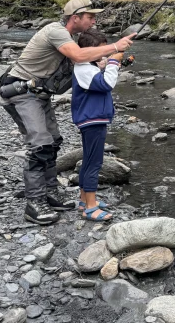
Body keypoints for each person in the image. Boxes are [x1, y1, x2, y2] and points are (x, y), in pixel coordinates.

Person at [0, 0, 135, 225]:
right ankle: (34, 203)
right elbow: (80, 57)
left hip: (40, 95)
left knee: (53, 141)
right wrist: (115, 47)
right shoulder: (56, 32)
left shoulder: (70, 37)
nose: (93, 21)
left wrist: (108, 62)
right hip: (21, 93)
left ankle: (50, 192)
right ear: (75, 17)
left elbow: (85, 64)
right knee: (40, 144)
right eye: (90, 17)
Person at [72, 29, 122, 221]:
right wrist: (114, 62)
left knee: (88, 160)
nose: (105, 54)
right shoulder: (84, 68)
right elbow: (106, 84)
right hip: (93, 120)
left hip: (91, 119)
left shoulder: (85, 66)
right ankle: (90, 208)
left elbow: (98, 78)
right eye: (101, 51)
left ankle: (84, 200)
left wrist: (107, 63)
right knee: (94, 163)